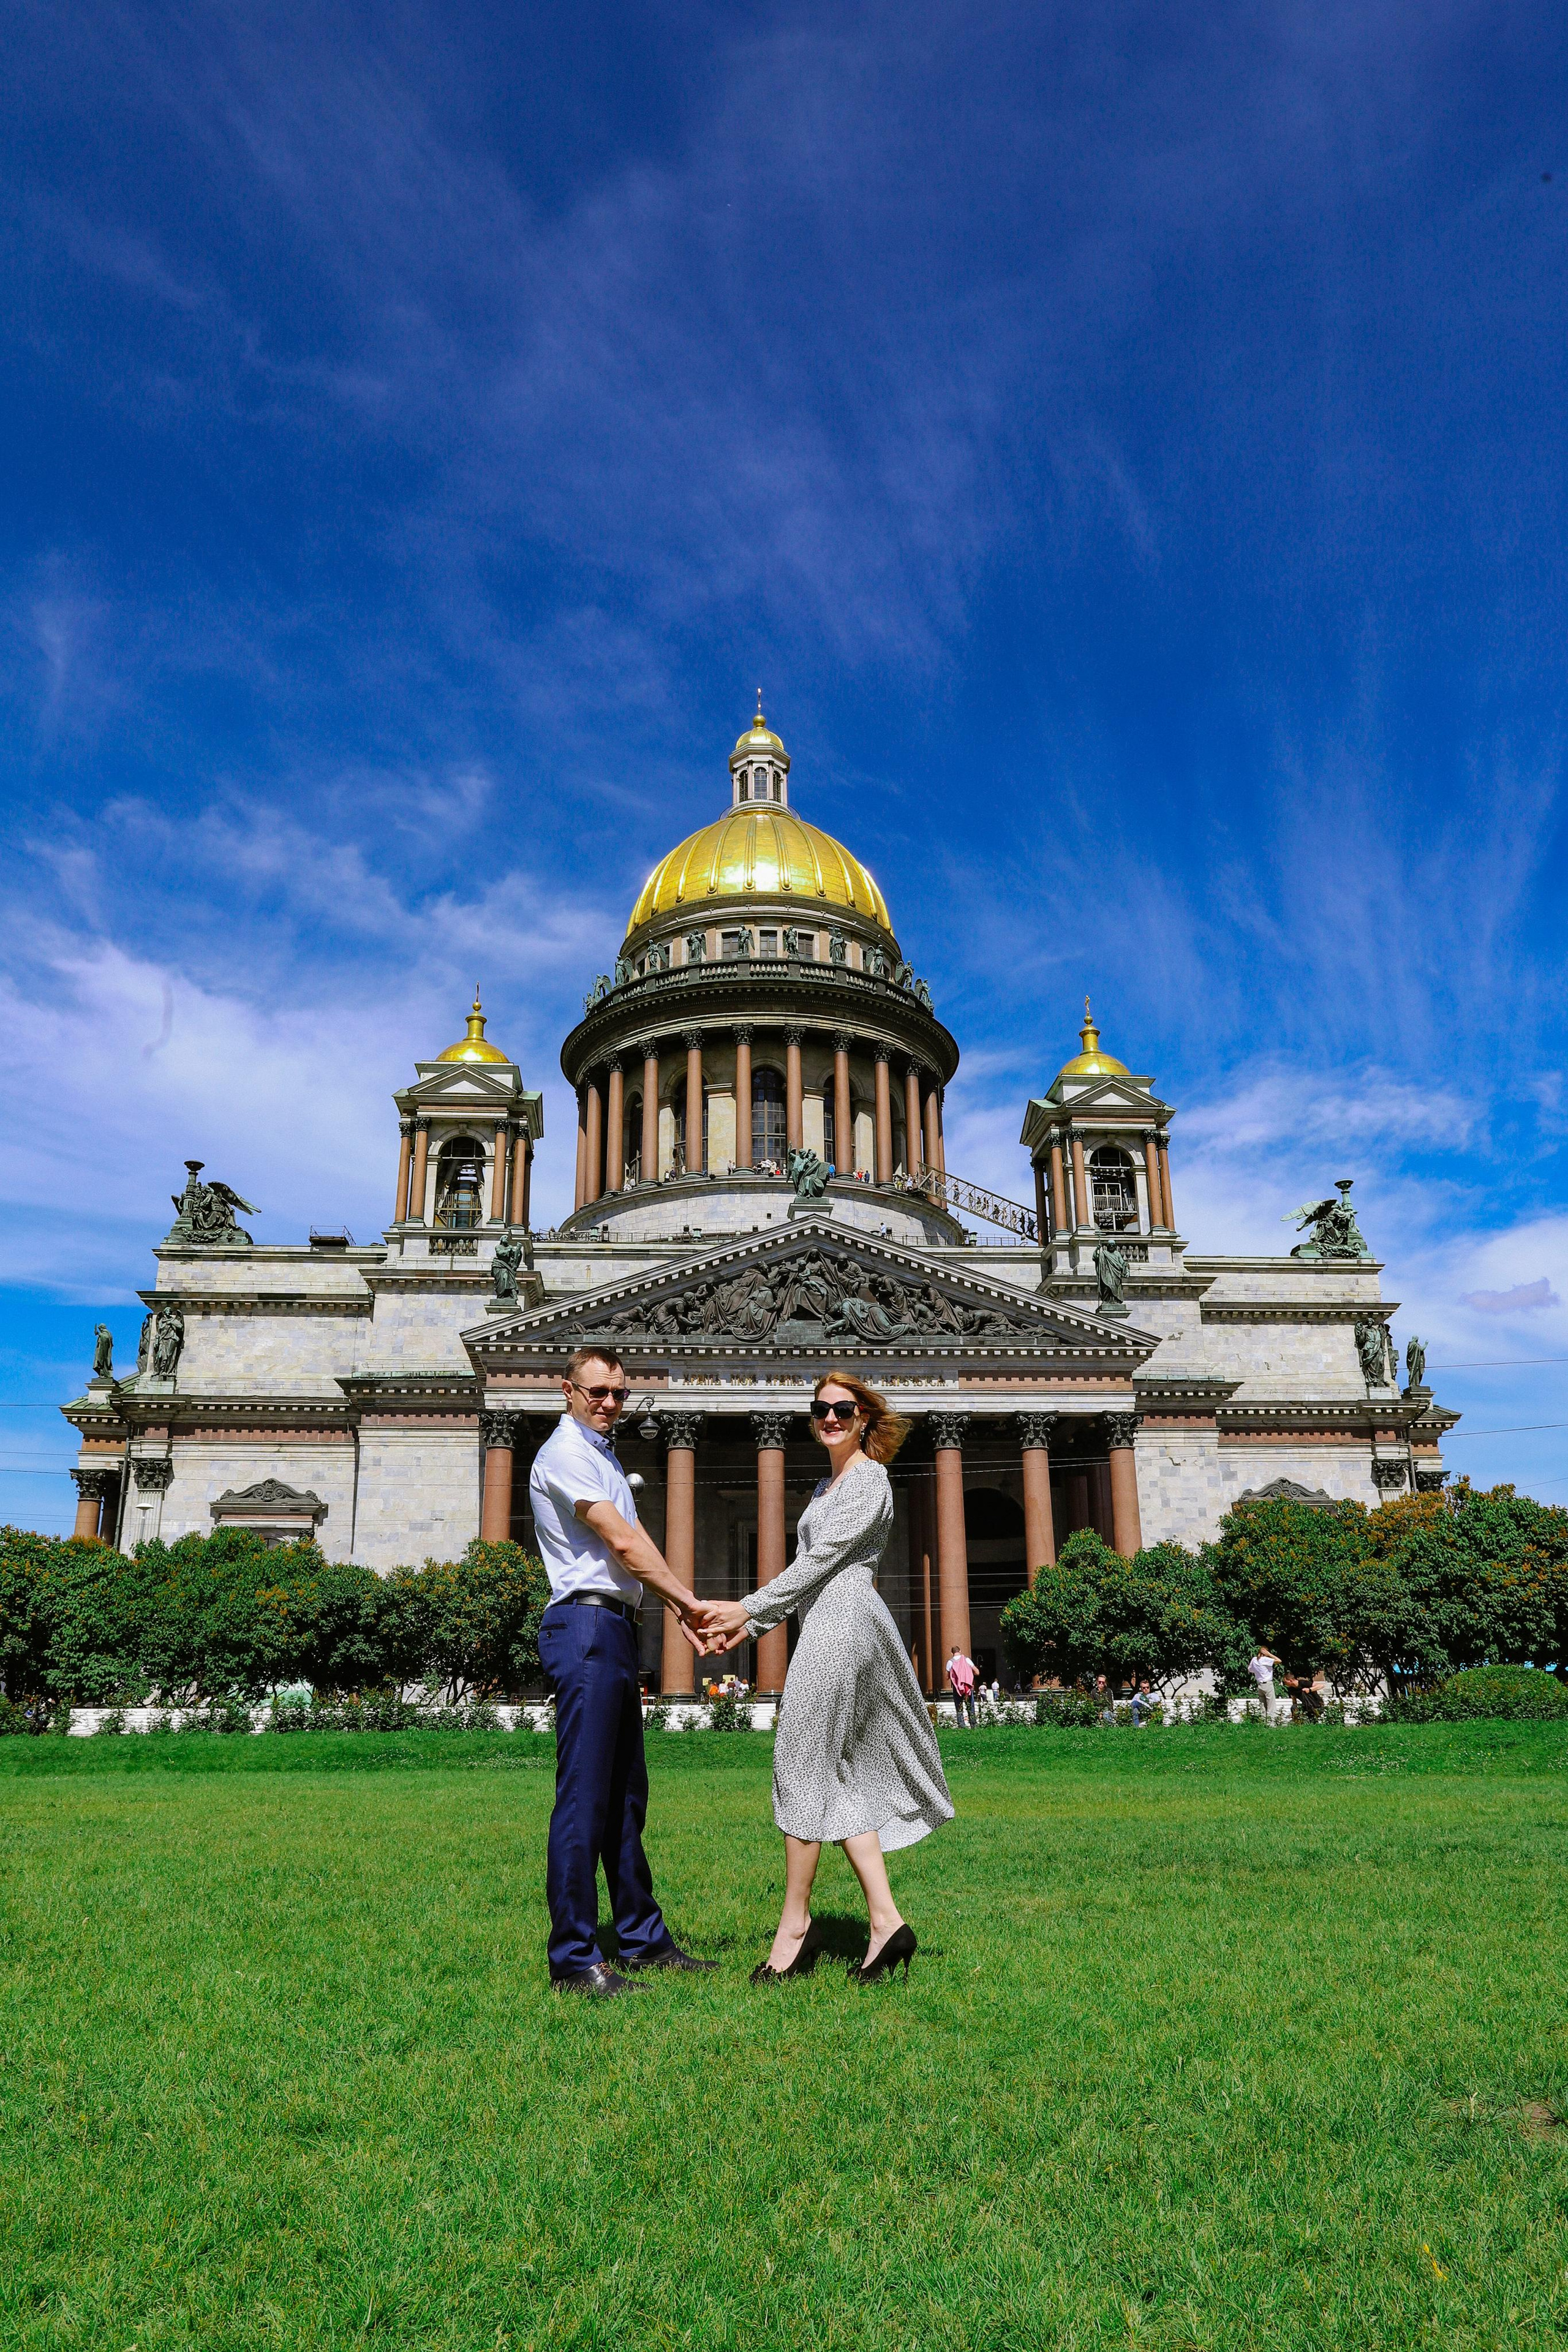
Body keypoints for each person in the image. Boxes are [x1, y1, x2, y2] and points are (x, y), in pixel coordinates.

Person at [699, 1370, 953, 1985]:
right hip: (825, 1621)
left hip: (844, 1623)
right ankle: (887, 1923)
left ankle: (794, 1926)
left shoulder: (869, 1478)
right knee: (834, 1773)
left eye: (843, 1408)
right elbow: (805, 1572)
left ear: (865, 1417)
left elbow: (821, 1563)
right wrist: (752, 1628)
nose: (830, 1418)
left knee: (798, 1763)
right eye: (820, 1410)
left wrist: (745, 1607)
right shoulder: (822, 1487)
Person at [530, 1345, 721, 1998]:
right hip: (584, 1627)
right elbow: (622, 1542)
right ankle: (574, 1960)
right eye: (597, 1392)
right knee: (585, 1799)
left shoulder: (599, 1454)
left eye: (618, 1392)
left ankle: (641, 1941)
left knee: (622, 1801)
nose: (610, 1402)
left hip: (610, 1628)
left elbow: (630, 1552)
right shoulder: (566, 1454)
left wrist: (668, 1604)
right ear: (567, 1390)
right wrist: (688, 1603)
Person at [1248, 1643, 1286, 1724]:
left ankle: (1262, 1722)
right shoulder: (1265, 1659)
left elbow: (1250, 1669)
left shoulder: (1254, 1660)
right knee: (1271, 1706)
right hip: (1268, 1684)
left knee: (1263, 1706)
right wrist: (1269, 1655)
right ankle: (1271, 1724)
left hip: (1260, 1685)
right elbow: (1279, 1661)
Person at [946, 1645, 978, 1728]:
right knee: (970, 1706)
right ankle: (973, 1724)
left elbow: (947, 1677)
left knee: (959, 1707)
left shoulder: (950, 1662)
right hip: (967, 1687)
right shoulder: (967, 1660)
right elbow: (977, 1672)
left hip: (957, 1688)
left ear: (952, 1653)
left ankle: (962, 1725)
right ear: (960, 1651)